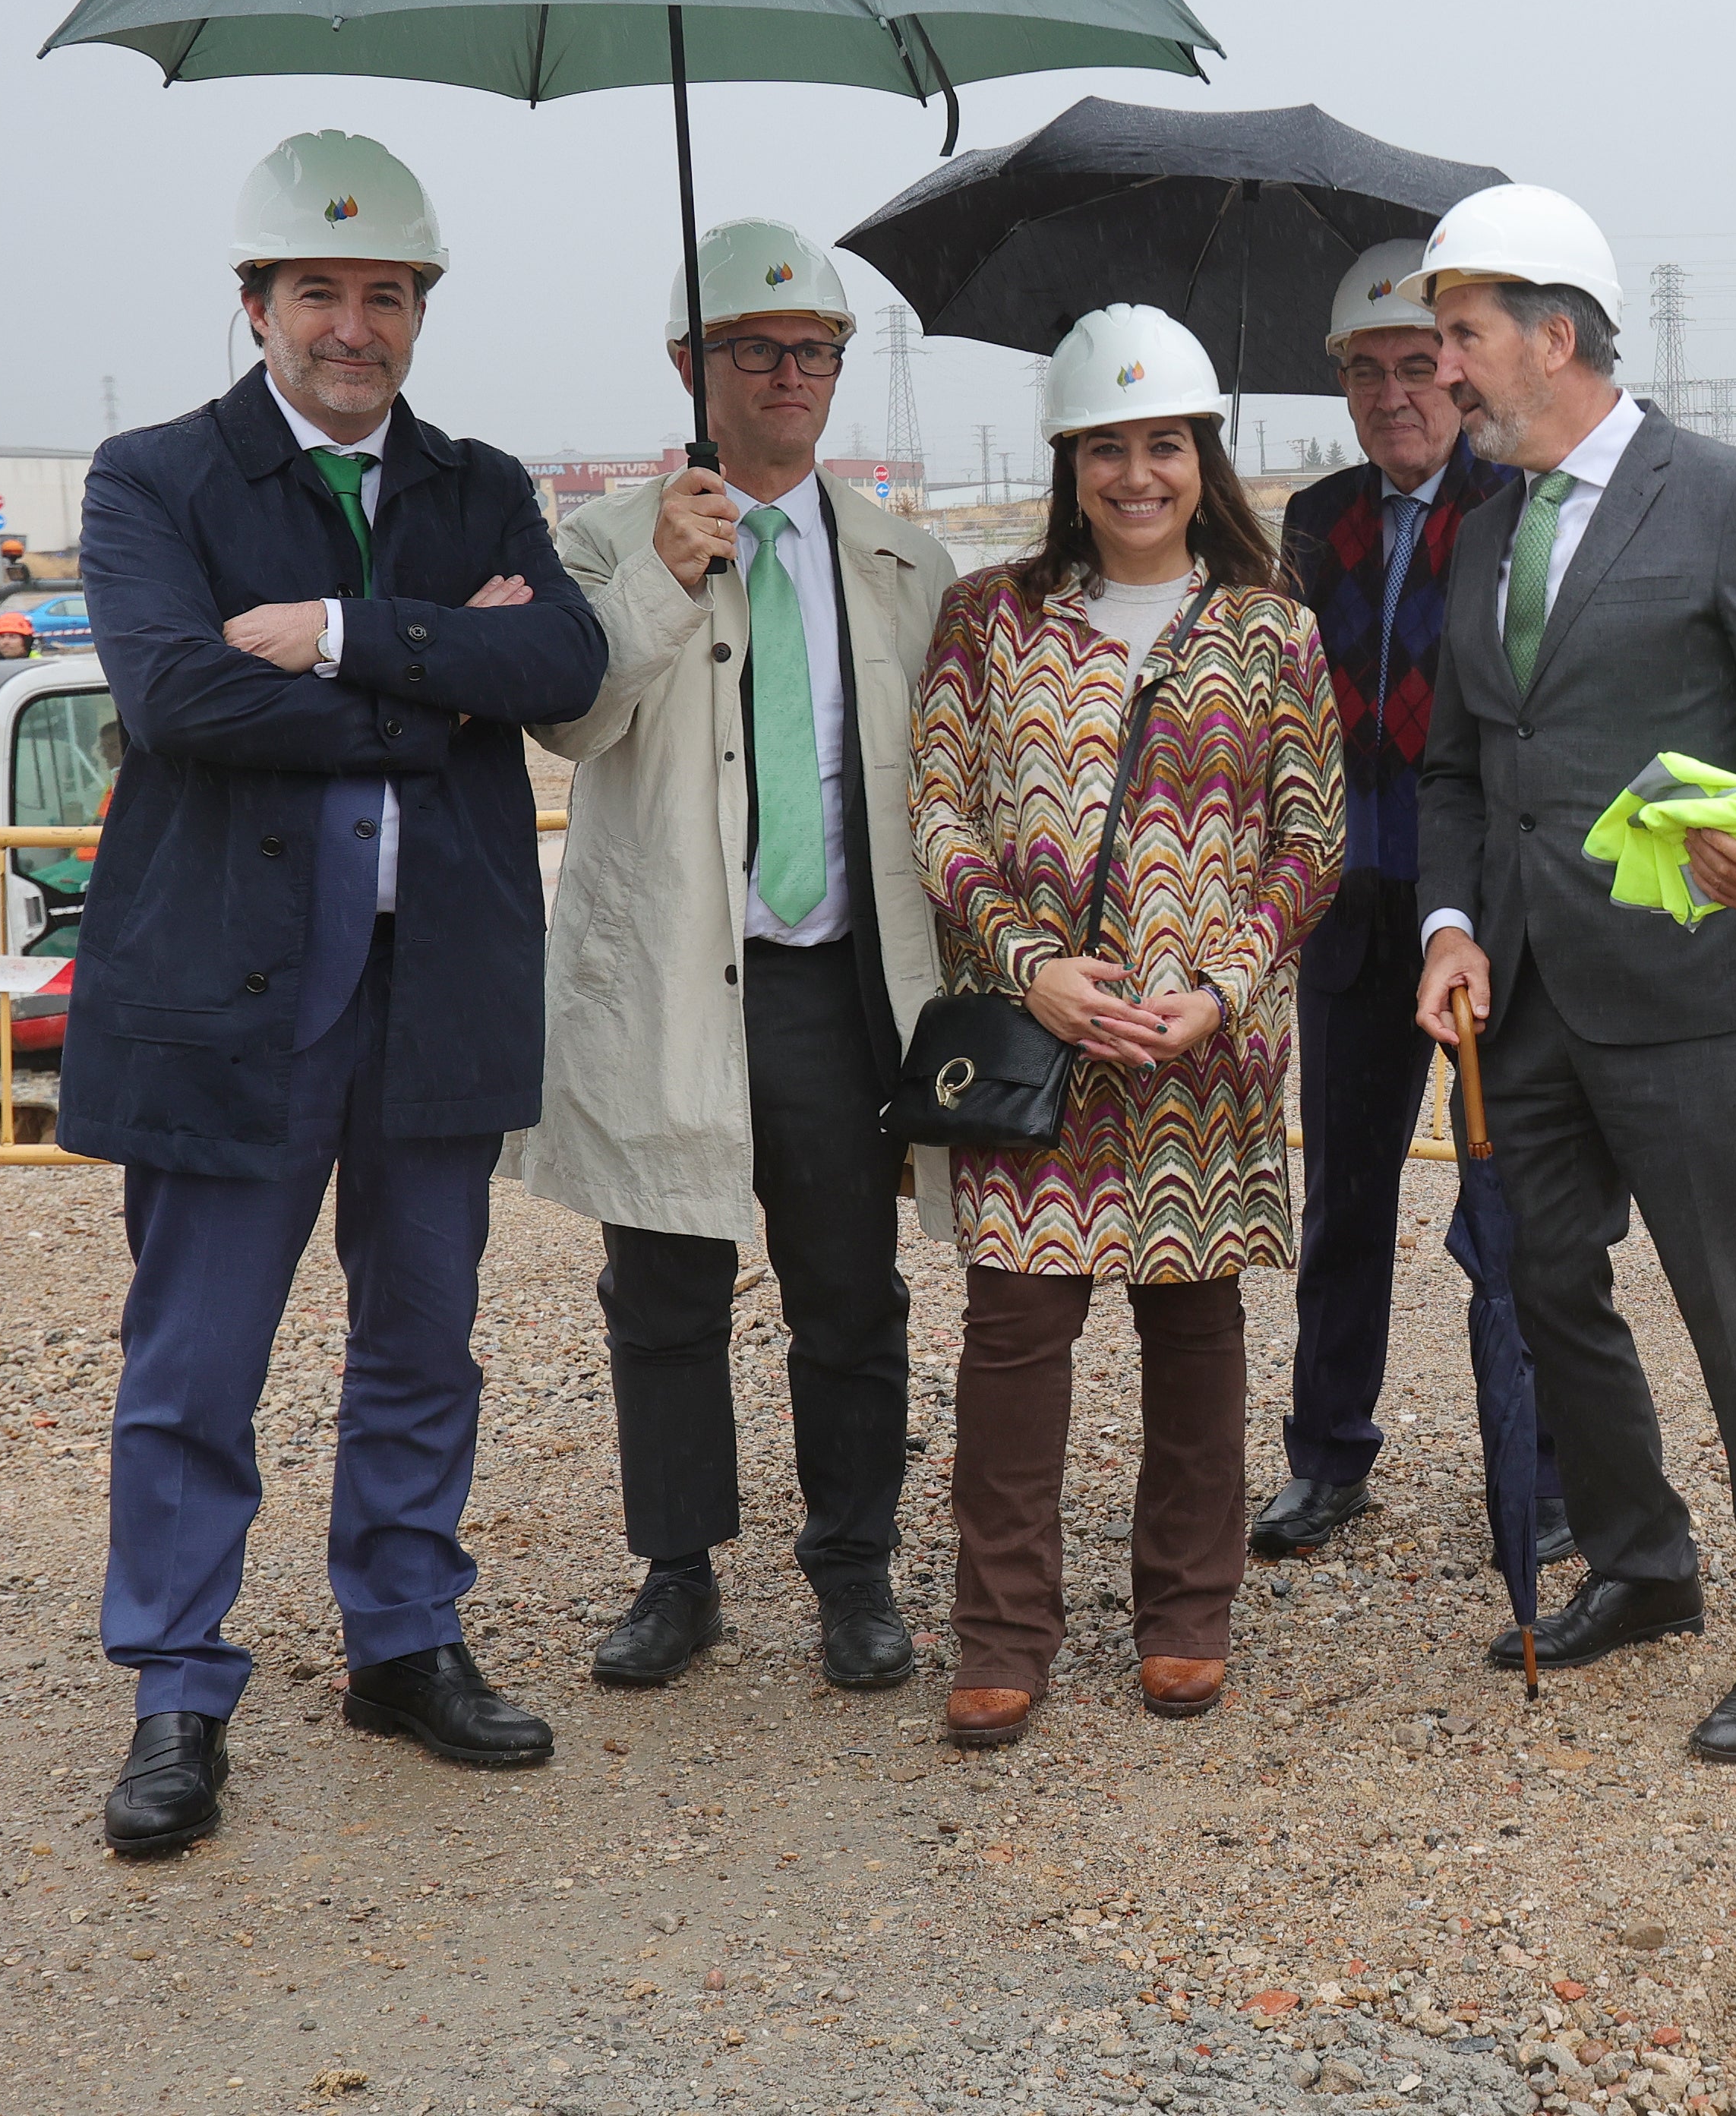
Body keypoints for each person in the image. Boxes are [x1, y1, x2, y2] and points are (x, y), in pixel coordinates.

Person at [71, 131, 608, 1857]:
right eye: (322, 291)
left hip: (432, 982)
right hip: (233, 992)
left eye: (388, 295)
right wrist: (442, 674)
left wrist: (336, 628)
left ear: (421, 313)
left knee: (421, 1345)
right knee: (196, 1359)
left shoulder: (476, 482)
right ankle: (174, 1688)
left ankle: (403, 1639)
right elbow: (172, 702)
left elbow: (565, 662)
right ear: (256, 307)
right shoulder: (153, 479)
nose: (354, 325)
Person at [1398, 185, 1736, 1763]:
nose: (1439, 370)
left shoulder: (1725, 499)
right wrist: (1447, 929)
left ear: (1555, 335)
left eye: (1460, 337)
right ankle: (1644, 1562)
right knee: (1541, 1286)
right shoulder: (1483, 520)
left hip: (1684, 993)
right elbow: (1463, 766)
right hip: (1518, 997)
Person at [517, 220, 960, 1696]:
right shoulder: (600, 540)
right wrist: (659, 573)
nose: (789, 374)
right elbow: (570, 720)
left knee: (849, 1292)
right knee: (663, 1290)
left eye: (813, 350)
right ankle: (678, 1573)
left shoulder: (903, 563)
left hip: (833, 987)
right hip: (672, 983)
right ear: (688, 367)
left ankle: (855, 1573)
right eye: (755, 349)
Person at [912, 302, 1344, 1748]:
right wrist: (1030, 966)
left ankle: (1185, 1615)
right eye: (1109, 447)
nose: (1138, 475)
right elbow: (942, 812)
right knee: (1015, 1338)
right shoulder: (991, 617)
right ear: (1069, 459)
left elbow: (1310, 842)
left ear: (1203, 455)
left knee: (1196, 1331)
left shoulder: (1273, 628)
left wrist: (1220, 989)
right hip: (1040, 1050)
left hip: (1198, 1062)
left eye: (1165, 444)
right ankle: (1002, 1633)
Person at [1258, 243, 1567, 1568]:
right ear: (1341, 385)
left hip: (1480, 912)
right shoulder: (1315, 520)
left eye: (1417, 367)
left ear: (1457, 370)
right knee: (1345, 1196)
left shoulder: (1515, 504)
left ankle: (1544, 1471)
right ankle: (1328, 1456)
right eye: (1366, 373)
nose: (1396, 396)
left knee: (1510, 1195)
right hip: (1350, 902)